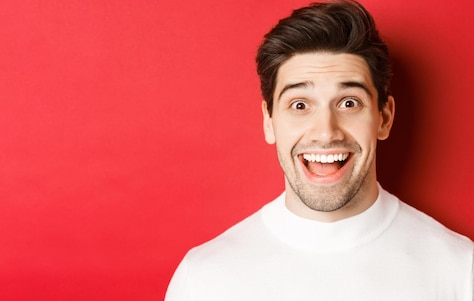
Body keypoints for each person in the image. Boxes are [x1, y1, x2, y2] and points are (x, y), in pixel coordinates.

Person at [165, 1, 473, 300]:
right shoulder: (203, 280)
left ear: (384, 118)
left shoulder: (461, 271)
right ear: (269, 122)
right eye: (300, 105)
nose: (326, 132)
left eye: (349, 103)